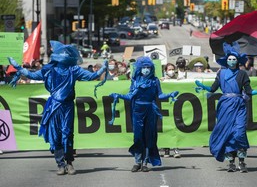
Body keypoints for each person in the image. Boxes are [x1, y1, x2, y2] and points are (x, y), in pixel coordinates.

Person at [7, 40, 108, 175]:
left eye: (65, 54)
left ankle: (69, 162)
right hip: (54, 106)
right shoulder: (49, 70)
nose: (63, 56)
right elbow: (31, 75)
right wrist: (18, 68)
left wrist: (103, 68)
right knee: (56, 136)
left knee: (67, 133)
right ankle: (60, 164)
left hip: (67, 106)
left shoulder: (74, 70)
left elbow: (91, 76)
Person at [194, 42, 257, 173]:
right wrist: (203, 87)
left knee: (239, 132)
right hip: (225, 105)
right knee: (228, 133)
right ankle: (231, 162)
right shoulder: (221, 73)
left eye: (234, 59)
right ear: (226, 60)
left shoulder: (243, 74)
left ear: (238, 60)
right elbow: (213, 88)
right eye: (229, 59)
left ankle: (242, 161)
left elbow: (249, 91)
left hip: (239, 105)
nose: (231, 61)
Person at [109, 57, 179, 172]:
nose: (146, 69)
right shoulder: (135, 80)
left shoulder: (155, 80)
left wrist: (170, 95)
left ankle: (145, 162)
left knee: (148, 136)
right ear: (140, 68)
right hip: (137, 110)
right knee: (138, 136)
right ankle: (137, 161)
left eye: (148, 67)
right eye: (144, 67)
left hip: (150, 110)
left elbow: (159, 95)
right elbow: (129, 96)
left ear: (151, 68)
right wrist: (118, 95)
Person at [160, 63, 181, 158]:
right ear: (165, 71)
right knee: (166, 128)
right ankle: (166, 149)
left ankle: (176, 149)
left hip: (175, 108)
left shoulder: (178, 80)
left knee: (175, 128)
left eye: (173, 69)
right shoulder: (161, 81)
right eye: (169, 69)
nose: (171, 71)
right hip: (165, 108)